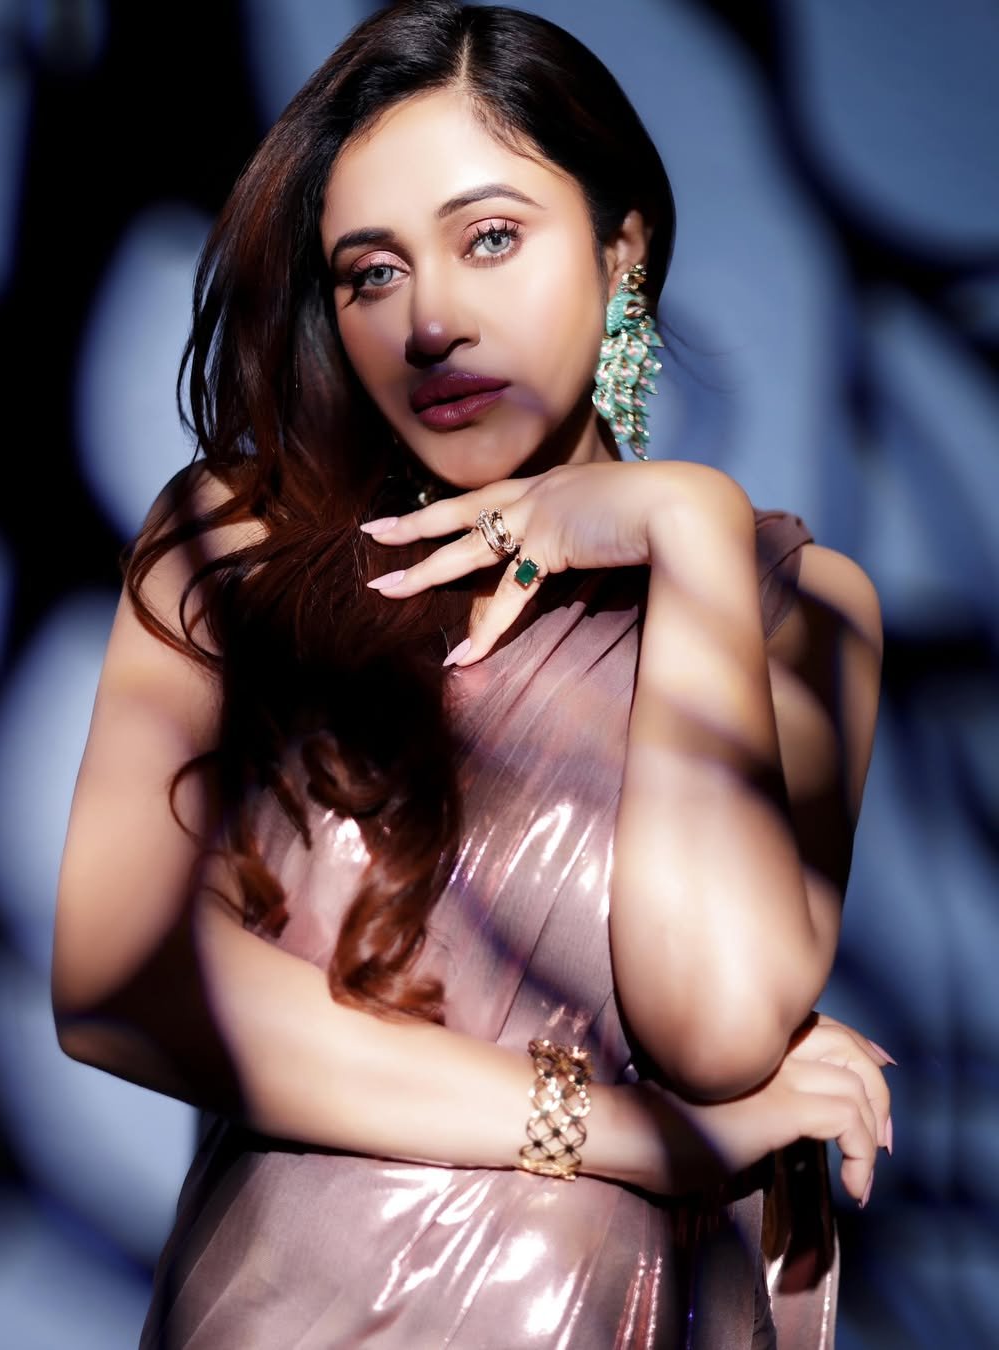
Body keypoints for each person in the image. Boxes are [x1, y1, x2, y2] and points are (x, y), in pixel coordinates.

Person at [51, 3, 890, 1346]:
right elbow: (122, 981)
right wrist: (625, 1132)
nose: (431, 319)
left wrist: (688, 533)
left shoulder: (797, 607)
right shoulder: (241, 540)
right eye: (371, 272)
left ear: (623, 249)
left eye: (490, 237)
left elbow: (717, 1024)